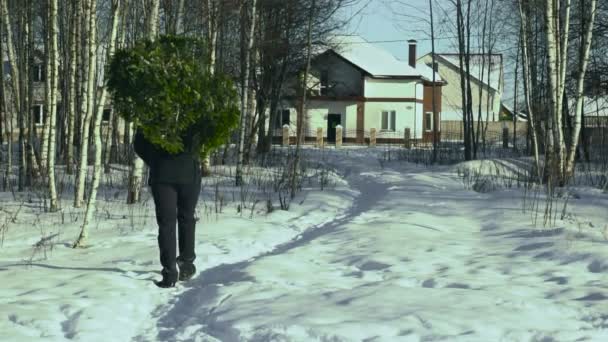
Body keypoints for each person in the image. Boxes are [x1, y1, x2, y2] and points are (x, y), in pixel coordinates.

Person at [134, 127, 202, 288]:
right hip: (180, 173)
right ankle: (183, 264)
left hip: (166, 174)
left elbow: (139, 143)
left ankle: (172, 271)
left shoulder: (154, 110)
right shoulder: (196, 108)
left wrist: (157, 161)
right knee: (184, 219)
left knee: (168, 223)